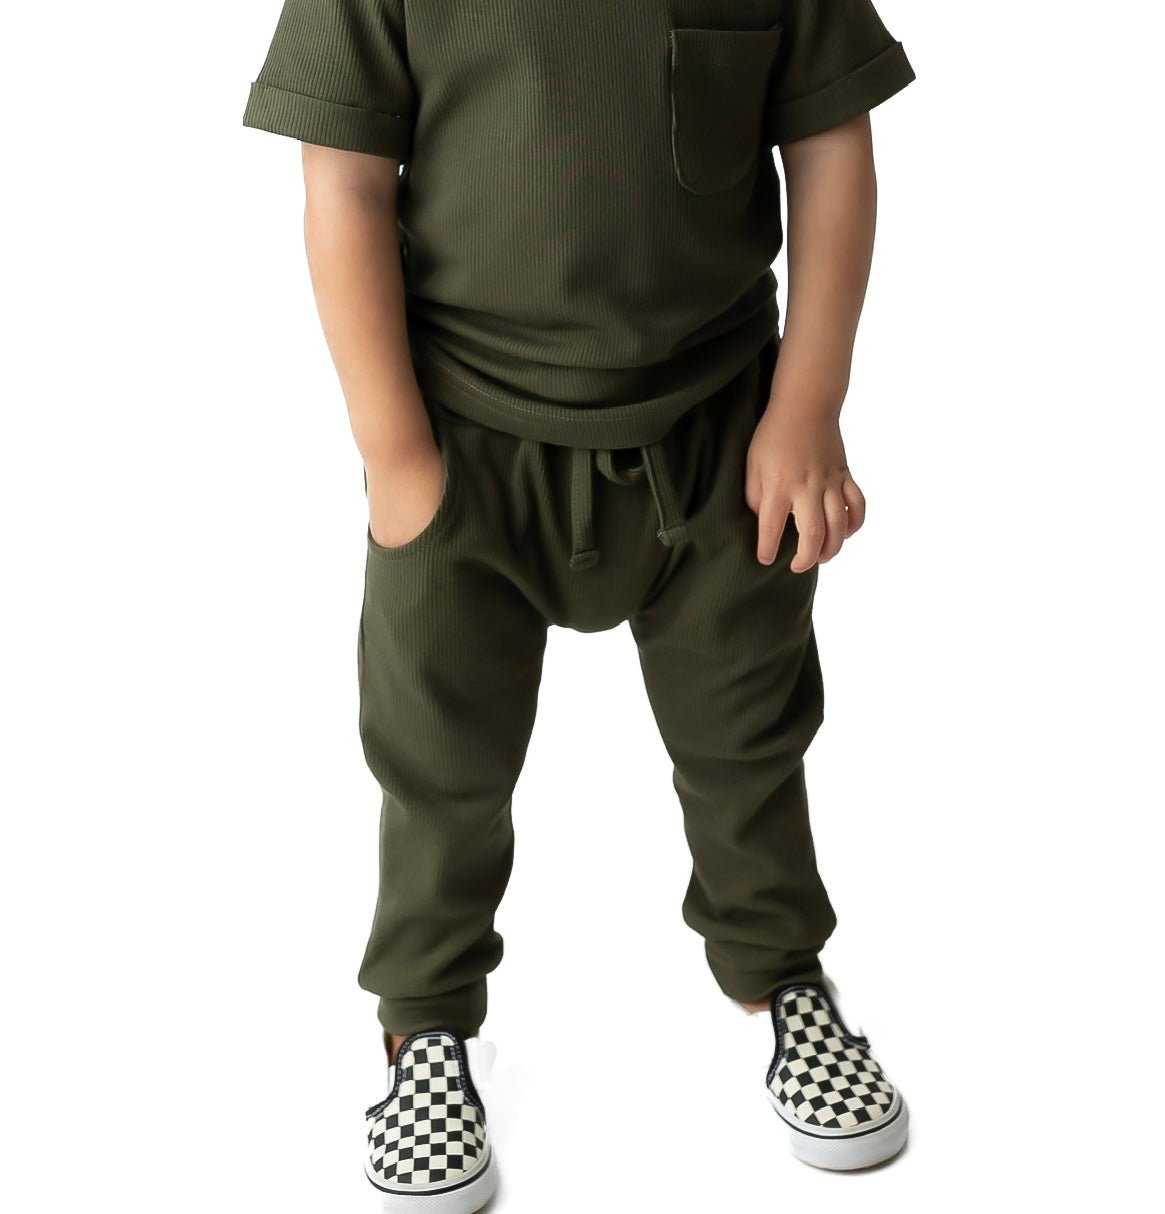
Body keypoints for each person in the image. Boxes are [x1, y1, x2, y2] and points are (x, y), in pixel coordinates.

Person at [241, 0, 916, 1200]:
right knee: (439, 761)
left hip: (720, 430)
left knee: (748, 736)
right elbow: (342, 181)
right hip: (464, 439)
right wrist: (396, 453)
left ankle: (782, 973)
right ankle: (425, 1018)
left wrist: (807, 406)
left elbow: (829, 143)